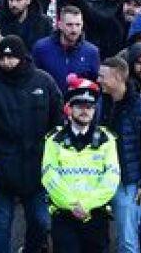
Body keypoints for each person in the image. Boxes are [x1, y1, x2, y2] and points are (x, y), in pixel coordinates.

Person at [0, 35, 62, 253]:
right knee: (0, 227)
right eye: (3, 58)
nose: (7, 62)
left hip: (37, 169)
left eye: (12, 57)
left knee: (41, 222)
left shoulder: (44, 82)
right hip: (1, 172)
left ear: (22, 57)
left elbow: (57, 122)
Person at [41, 76, 121, 253]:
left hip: (96, 214)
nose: (85, 110)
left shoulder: (106, 139)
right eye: (80, 106)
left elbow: (111, 178)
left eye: (90, 106)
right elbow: (50, 176)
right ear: (69, 108)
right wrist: (72, 205)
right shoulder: (55, 140)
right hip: (64, 215)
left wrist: (86, 204)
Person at [99, 56, 141, 253]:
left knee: (128, 240)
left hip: (129, 182)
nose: (98, 79)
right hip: (101, 179)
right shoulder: (101, 103)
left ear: (118, 77)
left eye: (103, 76)